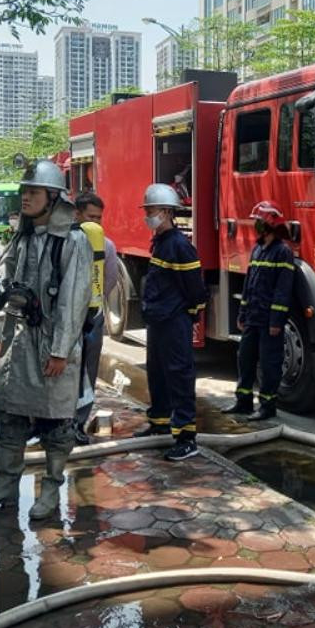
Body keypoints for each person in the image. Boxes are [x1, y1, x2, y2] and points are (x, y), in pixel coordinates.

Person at [0, 160, 92, 518]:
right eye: (24, 191)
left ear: (52, 197)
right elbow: (9, 295)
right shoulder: (21, 239)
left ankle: (51, 490)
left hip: (53, 345)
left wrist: (60, 351)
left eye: (33, 192)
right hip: (19, 343)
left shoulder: (73, 241)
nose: (25, 197)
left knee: (56, 422)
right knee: (9, 415)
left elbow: (73, 300)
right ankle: (5, 484)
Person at [136, 183, 208, 462]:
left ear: (166, 212)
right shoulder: (161, 243)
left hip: (174, 321)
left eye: (151, 210)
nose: (148, 215)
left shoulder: (179, 246)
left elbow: (195, 289)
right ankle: (160, 423)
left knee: (178, 375)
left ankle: (186, 438)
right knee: (157, 373)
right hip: (158, 321)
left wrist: (191, 315)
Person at [225, 200, 294, 422]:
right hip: (253, 317)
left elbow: (283, 291)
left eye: (259, 222)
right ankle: (243, 402)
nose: (255, 225)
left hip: (268, 320)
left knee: (269, 363)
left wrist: (276, 321)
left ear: (270, 224)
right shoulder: (257, 250)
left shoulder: (282, 252)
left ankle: (267, 406)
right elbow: (249, 285)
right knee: (245, 358)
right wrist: (242, 314)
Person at [74, 191, 119, 445]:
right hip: (65, 319)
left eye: (99, 218)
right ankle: (55, 422)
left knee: (87, 373)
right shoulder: (63, 241)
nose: (95, 223)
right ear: (76, 214)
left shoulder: (107, 246)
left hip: (92, 319)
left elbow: (109, 280)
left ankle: (78, 422)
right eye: (90, 217)